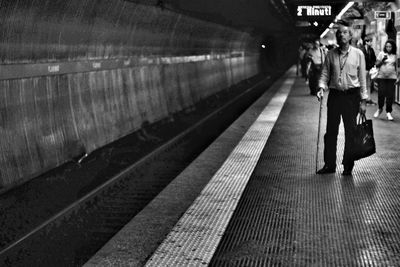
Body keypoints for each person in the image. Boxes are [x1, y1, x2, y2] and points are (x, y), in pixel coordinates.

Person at [316, 21, 368, 176]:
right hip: (335, 96)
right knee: (330, 131)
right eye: (339, 33)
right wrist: (321, 87)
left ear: (350, 36)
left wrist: (363, 101)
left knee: (350, 132)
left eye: (345, 32)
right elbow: (325, 74)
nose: (341, 35)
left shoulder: (358, 54)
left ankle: (347, 165)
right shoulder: (331, 54)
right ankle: (329, 165)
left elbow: (363, 78)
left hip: (352, 96)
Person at [373, 39, 399, 121]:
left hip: (392, 78)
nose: (388, 48)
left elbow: (398, 67)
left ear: (393, 47)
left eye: (390, 47)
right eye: (387, 46)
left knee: (390, 96)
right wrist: (382, 61)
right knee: (381, 94)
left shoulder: (395, 55)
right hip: (381, 77)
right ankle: (380, 108)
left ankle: (388, 112)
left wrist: (398, 77)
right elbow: (376, 64)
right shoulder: (381, 54)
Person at [360, 36, 377, 104]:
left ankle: (368, 99)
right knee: (363, 84)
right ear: (366, 42)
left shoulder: (371, 50)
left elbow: (374, 59)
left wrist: (372, 66)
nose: (371, 42)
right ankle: (363, 99)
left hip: (369, 70)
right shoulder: (361, 50)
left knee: (369, 84)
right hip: (363, 70)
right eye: (370, 41)